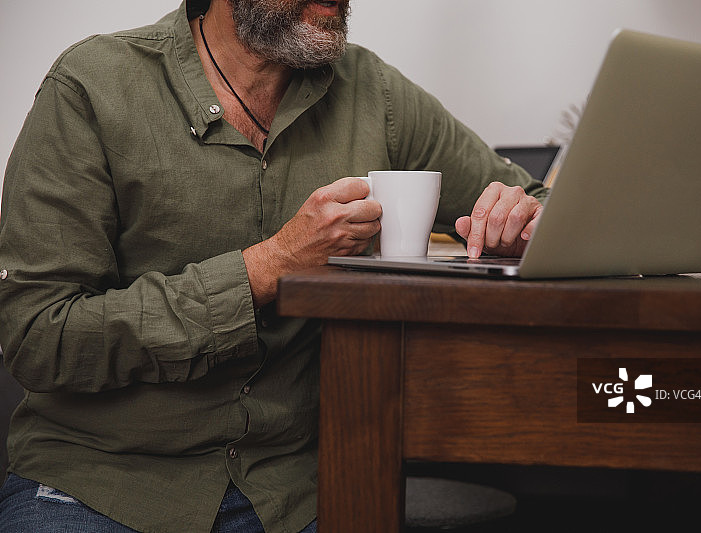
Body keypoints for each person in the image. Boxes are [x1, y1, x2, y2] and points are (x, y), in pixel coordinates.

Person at [0, 0, 548, 531]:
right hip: (100, 484)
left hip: (297, 490)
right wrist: (271, 265)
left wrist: (520, 222)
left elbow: (540, 203)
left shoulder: (373, 90)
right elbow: (35, 336)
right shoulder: (92, 85)